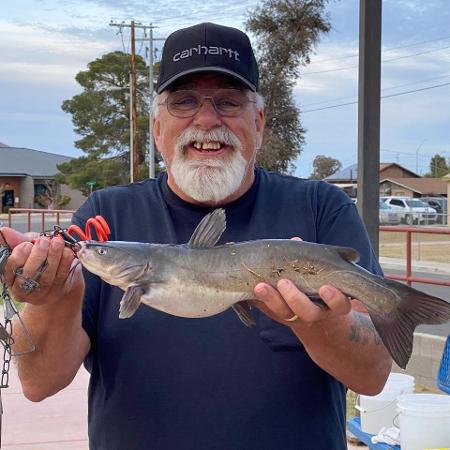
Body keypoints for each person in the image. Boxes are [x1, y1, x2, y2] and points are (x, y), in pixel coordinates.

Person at [0, 22, 391, 450]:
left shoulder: (321, 208)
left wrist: (316, 324)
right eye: (184, 102)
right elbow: (39, 384)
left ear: (258, 123)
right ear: (156, 128)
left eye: (228, 101)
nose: (206, 120)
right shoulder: (104, 218)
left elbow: (372, 376)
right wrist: (54, 297)